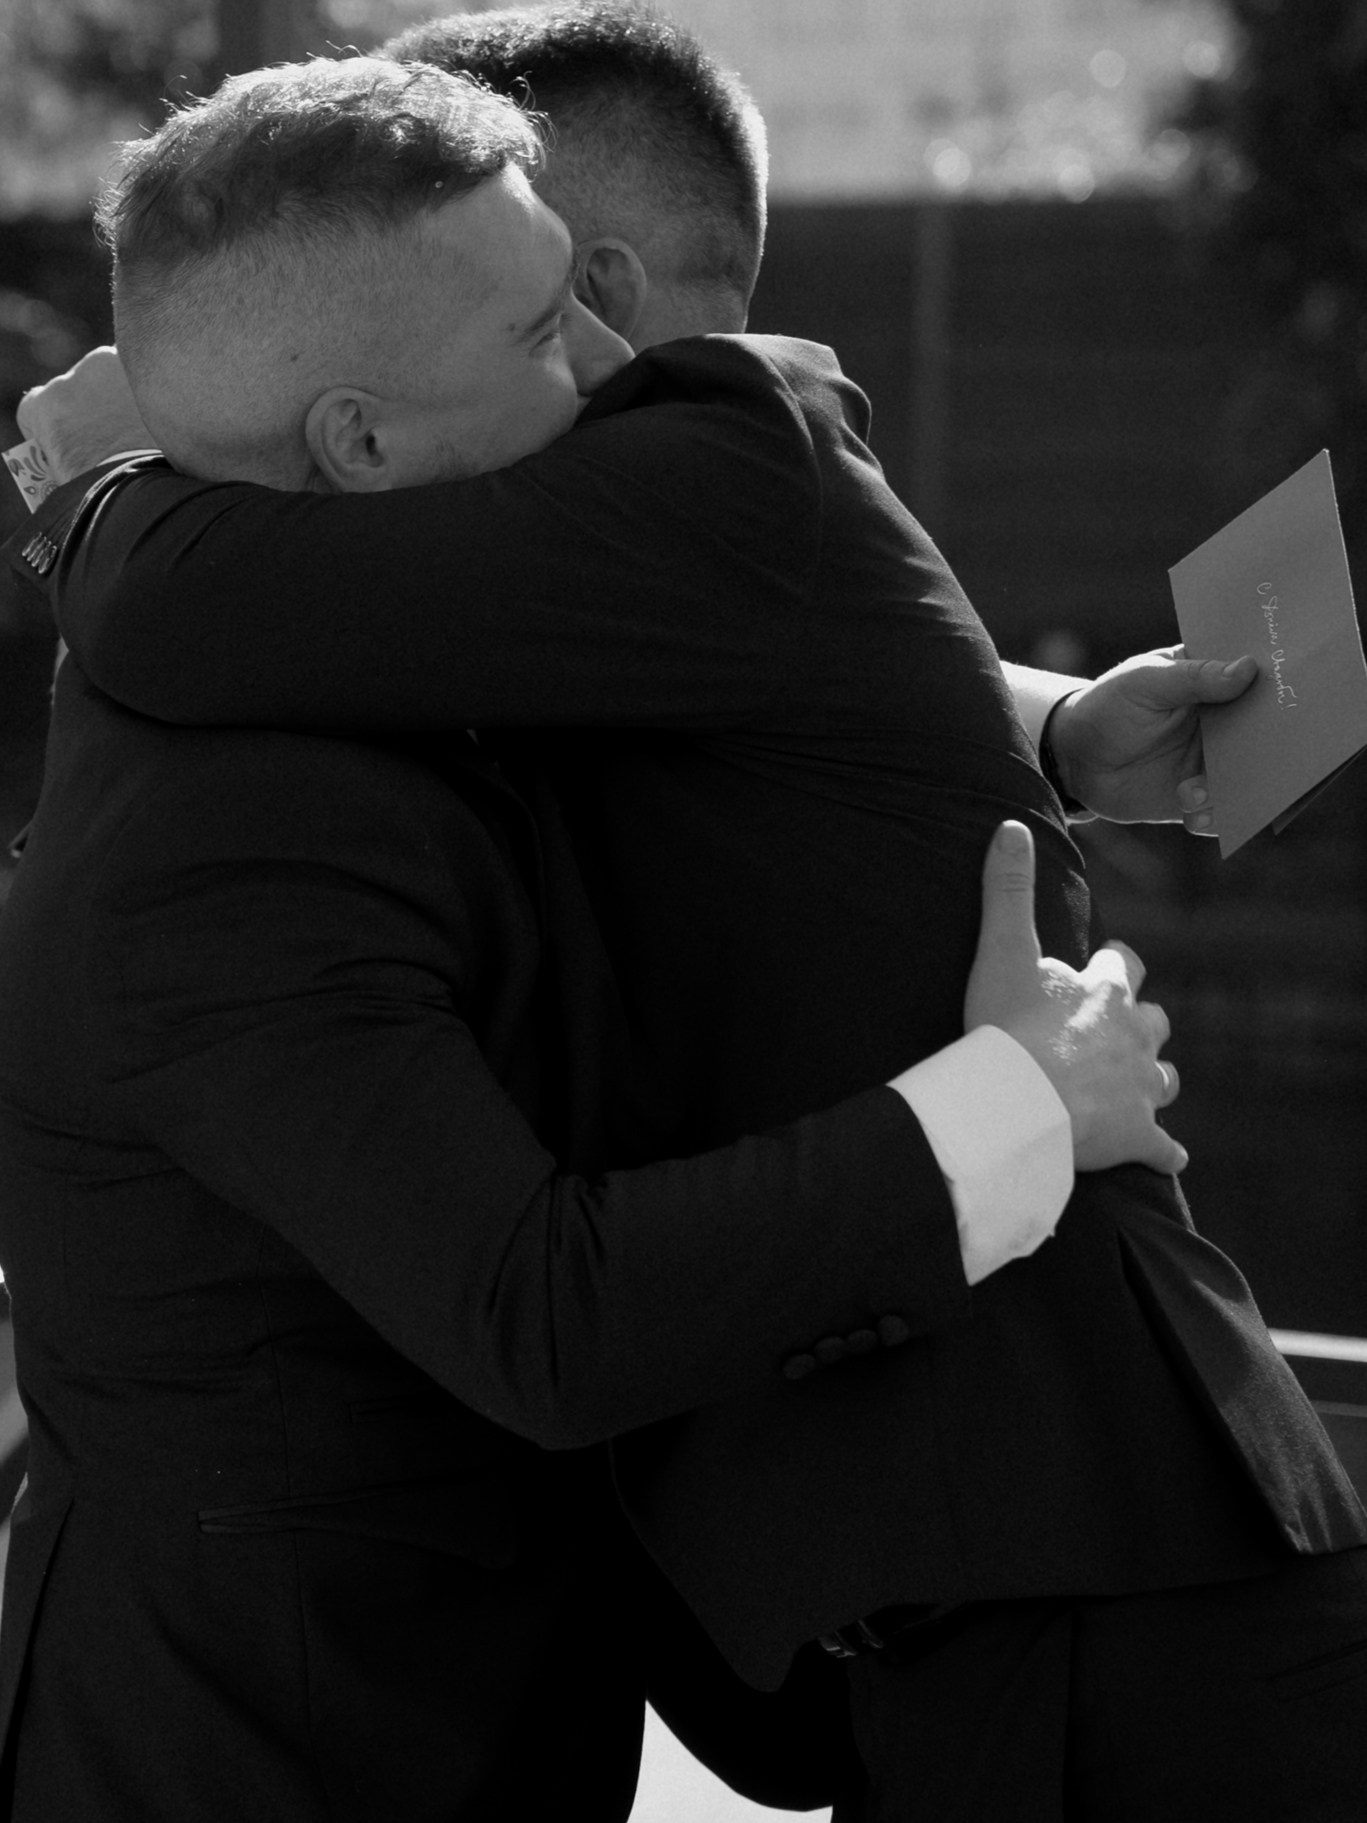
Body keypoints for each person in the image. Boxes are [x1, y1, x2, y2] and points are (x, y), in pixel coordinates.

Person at [21, 15, 1367, 1820]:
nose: (590, 359)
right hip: (396, 1719)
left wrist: (99, 486)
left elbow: (187, 595)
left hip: (1118, 1591)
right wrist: (1033, 739)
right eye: (532, 316)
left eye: (582, 293)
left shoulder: (730, 440)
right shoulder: (381, 691)